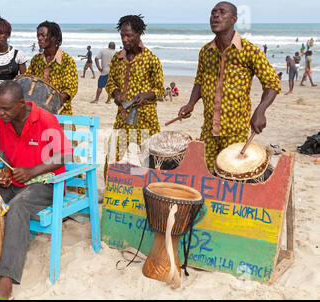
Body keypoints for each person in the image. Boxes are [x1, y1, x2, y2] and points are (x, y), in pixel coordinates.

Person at [0, 80, 72, 300]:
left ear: (21, 104)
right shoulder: (4, 122)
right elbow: (8, 157)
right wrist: (6, 172)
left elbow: (64, 155)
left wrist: (31, 171)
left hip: (48, 184)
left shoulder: (45, 120)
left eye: (6, 108)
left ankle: (6, 280)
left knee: (18, 206)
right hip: (19, 182)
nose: (0, 114)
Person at [177, 2, 280, 172]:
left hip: (236, 133)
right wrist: (190, 104)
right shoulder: (205, 51)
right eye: (213, 12)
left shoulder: (249, 51)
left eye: (222, 12)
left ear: (234, 19)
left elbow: (272, 83)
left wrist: (260, 111)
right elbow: (200, 82)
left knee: (230, 178)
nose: (215, 16)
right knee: (205, 175)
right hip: (209, 130)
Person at [105, 14, 164, 177]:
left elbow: (159, 88)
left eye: (129, 35)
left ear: (139, 34)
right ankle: (111, 189)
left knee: (150, 160)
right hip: (123, 118)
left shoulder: (151, 59)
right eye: (122, 35)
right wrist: (115, 93)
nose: (125, 39)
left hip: (146, 118)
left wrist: (145, 95)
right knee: (113, 157)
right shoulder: (118, 59)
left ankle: (151, 193)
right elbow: (110, 83)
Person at [25, 21, 78, 116]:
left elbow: (69, 90)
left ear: (53, 37)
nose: (39, 38)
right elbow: (27, 81)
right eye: (38, 35)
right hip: (37, 111)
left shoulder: (67, 61)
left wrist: (50, 102)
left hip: (60, 112)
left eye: (43, 35)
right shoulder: (36, 60)